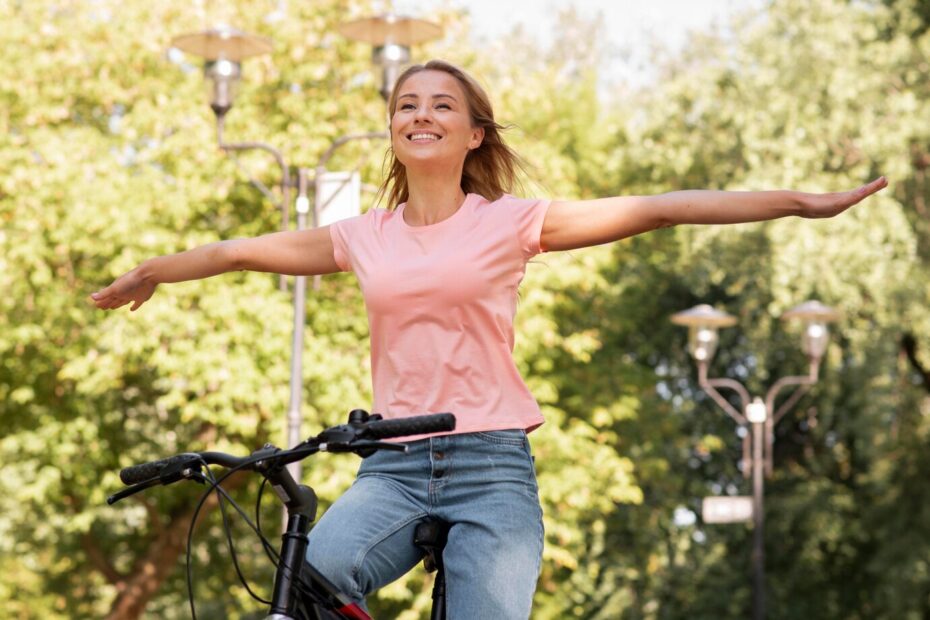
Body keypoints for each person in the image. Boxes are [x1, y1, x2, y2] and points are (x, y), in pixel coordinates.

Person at [92, 59, 887, 618]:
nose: (421, 115)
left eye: (441, 105)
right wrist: (153, 271)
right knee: (311, 576)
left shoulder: (511, 223)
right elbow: (235, 253)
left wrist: (798, 203)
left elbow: (658, 206)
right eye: (407, 104)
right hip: (392, 467)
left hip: (491, 467)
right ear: (394, 131)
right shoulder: (362, 236)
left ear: (474, 134)